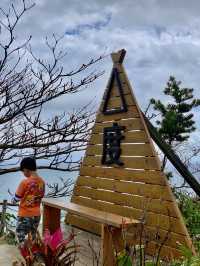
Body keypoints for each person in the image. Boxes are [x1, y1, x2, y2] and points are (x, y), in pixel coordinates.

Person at [12, 157, 45, 246]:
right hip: (37, 214)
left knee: (20, 235)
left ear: (26, 169)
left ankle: (25, 256)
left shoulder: (24, 182)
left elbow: (16, 198)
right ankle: (33, 254)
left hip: (25, 214)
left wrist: (13, 200)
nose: (23, 174)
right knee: (33, 235)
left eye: (23, 171)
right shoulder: (42, 182)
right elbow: (41, 196)